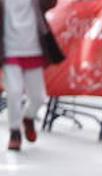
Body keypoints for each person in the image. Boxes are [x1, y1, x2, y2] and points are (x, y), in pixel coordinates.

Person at [1, 0, 57, 152]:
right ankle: (14, 132)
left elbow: (52, 3)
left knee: (38, 97)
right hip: (9, 51)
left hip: (33, 49)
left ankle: (28, 117)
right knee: (14, 91)